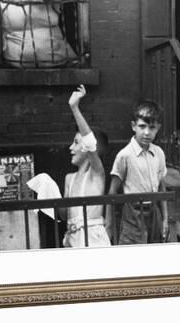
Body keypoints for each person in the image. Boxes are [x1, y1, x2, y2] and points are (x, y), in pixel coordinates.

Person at [105, 100, 169, 245]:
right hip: (133, 213)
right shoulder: (125, 155)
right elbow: (112, 192)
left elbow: (161, 187)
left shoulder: (159, 153)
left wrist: (165, 219)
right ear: (133, 126)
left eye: (152, 127)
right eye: (142, 126)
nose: (147, 132)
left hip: (154, 212)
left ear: (158, 128)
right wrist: (108, 226)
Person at [58, 85, 111, 248]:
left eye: (75, 143)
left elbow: (89, 142)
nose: (70, 148)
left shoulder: (96, 174)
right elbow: (64, 216)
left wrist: (74, 108)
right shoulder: (70, 179)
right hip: (72, 238)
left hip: (93, 239)